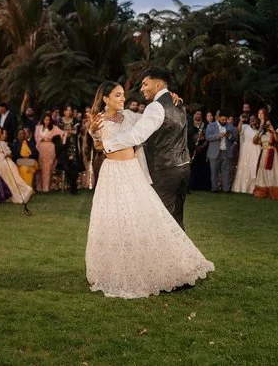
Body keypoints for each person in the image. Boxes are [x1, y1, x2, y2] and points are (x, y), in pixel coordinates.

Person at [86, 81, 213, 298]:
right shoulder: (97, 120)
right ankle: (116, 269)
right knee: (115, 221)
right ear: (105, 98)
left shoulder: (130, 115)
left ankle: (152, 265)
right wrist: (93, 132)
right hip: (112, 174)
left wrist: (169, 97)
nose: (122, 99)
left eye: (122, 95)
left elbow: (155, 117)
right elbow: (98, 143)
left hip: (133, 172)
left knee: (145, 218)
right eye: (117, 95)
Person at [97, 68, 192, 229]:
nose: (142, 89)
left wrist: (109, 144)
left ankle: (164, 254)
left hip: (164, 169)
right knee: (176, 220)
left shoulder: (156, 107)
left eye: (145, 84)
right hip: (183, 167)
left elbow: (137, 136)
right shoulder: (178, 102)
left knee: (160, 222)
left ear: (158, 84)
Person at [0, 126, 33, 203]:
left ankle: (23, 189)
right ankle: (10, 193)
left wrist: (3, 153)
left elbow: (10, 154)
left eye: (0, 132)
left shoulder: (3, 143)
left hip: (5, 161)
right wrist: (3, 152)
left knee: (11, 165)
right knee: (5, 165)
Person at [253, 121, 278, 200]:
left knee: (272, 172)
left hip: (272, 154)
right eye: (266, 125)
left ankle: (273, 190)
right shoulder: (262, 134)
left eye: (269, 124)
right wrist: (260, 129)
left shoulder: (274, 133)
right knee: (263, 171)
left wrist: (273, 130)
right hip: (264, 153)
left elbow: (277, 140)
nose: (267, 126)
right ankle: (264, 189)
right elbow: (254, 141)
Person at [206, 113, 237, 193]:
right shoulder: (211, 126)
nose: (224, 121)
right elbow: (208, 137)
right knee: (214, 172)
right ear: (218, 118)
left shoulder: (230, 126)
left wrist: (229, 136)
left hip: (226, 152)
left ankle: (226, 189)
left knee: (226, 171)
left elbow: (235, 137)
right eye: (222, 119)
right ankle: (214, 188)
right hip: (214, 152)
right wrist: (218, 135)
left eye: (225, 120)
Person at [34, 112, 63, 192]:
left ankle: (46, 187)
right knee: (40, 167)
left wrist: (54, 139)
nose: (47, 121)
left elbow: (63, 133)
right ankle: (39, 187)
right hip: (40, 148)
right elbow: (36, 138)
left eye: (48, 120)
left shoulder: (54, 128)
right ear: (43, 120)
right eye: (45, 119)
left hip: (50, 148)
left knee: (48, 167)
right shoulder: (38, 128)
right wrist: (42, 139)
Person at [231, 114, 260, 194]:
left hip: (256, 149)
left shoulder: (259, 129)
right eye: (250, 119)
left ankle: (254, 188)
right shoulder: (245, 127)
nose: (252, 120)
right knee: (245, 167)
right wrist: (241, 120)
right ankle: (243, 187)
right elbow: (239, 130)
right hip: (246, 149)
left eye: (254, 119)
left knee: (254, 167)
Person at [188, 110, 211, 191]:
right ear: (194, 115)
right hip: (191, 148)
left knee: (200, 167)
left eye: (200, 114)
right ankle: (190, 185)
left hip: (201, 149)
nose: (198, 115)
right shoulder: (189, 124)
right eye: (197, 114)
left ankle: (199, 186)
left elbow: (207, 138)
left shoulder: (205, 125)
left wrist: (202, 145)